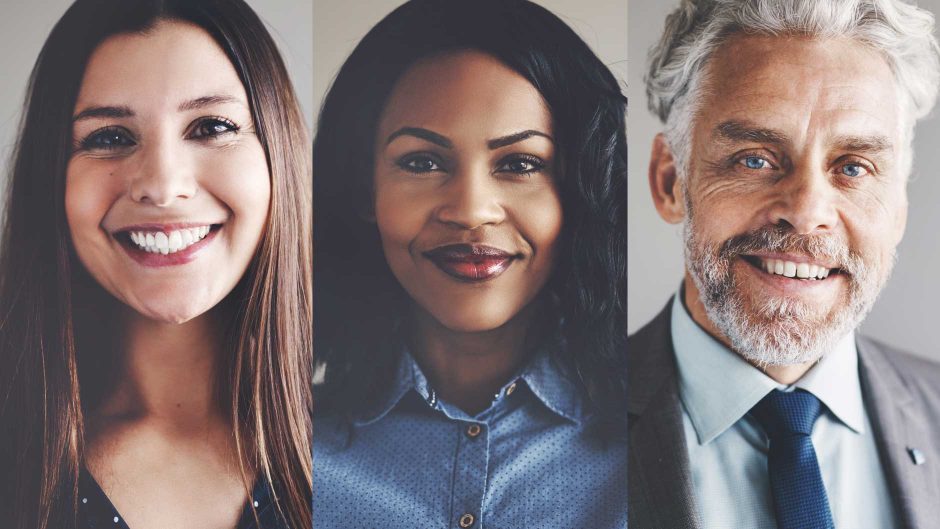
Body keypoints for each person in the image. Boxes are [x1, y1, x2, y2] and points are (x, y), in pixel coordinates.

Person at [312, 1, 627, 527]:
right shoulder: (279, 449)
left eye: (520, 164)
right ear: (364, 191)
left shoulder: (649, 442)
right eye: (422, 162)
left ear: (581, 191)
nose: (470, 211)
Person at [0, 1, 312, 528]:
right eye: (110, 137)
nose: (163, 186)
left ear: (278, 154)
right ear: (50, 178)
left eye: (211, 126)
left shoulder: (366, 434)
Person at [629, 0, 940, 527]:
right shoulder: (565, 433)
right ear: (669, 181)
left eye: (854, 168)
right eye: (755, 159)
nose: (805, 213)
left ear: (899, 213)